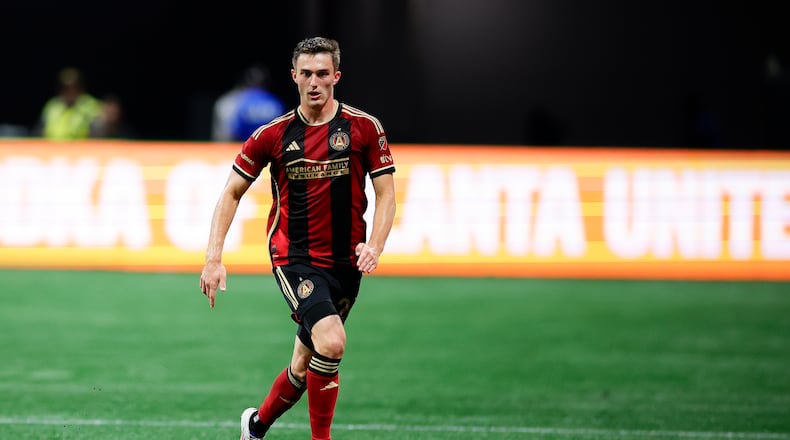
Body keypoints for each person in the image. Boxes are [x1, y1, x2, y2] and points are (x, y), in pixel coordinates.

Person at [199, 36, 397, 440]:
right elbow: (231, 193)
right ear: (294, 76)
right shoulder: (272, 135)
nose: (314, 82)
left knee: (304, 367)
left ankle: (254, 427)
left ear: (336, 76)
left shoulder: (363, 128)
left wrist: (374, 245)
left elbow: (387, 193)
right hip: (295, 257)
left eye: (323, 74)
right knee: (333, 340)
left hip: (347, 262)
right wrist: (213, 257)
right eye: (306, 73)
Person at [212, 63, 287, 142]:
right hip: (268, 150)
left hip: (239, 149)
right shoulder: (276, 102)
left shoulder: (229, 102)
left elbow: (225, 136)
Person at [35, 67, 103, 140]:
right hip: (52, 148)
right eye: (64, 87)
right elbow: (40, 130)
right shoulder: (52, 105)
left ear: (80, 87)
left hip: (81, 149)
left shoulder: (91, 105)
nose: (69, 91)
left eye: (73, 86)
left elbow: (98, 132)